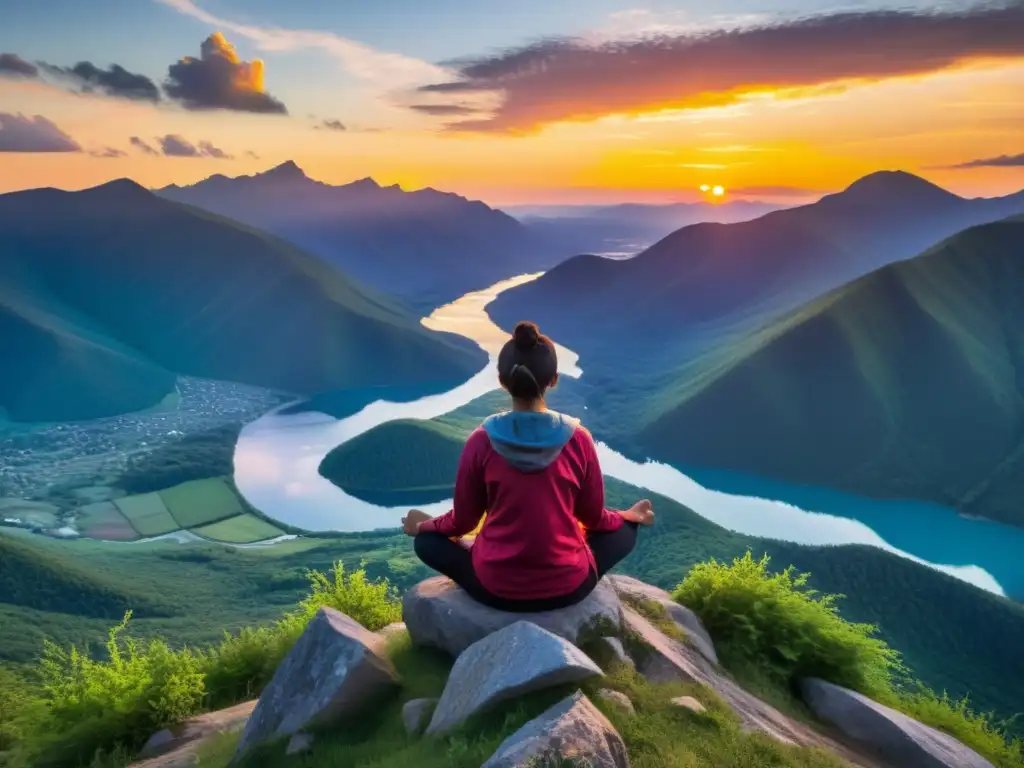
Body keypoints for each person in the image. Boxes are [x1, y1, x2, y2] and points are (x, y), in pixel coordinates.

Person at [402, 320, 655, 612]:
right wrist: (626, 517)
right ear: (554, 379)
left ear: (501, 380)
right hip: (569, 589)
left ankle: (477, 550)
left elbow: (463, 522)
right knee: (625, 533)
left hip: (495, 590)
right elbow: (593, 518)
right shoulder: (578, 439)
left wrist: (423, 526)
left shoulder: (481, 441)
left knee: (426, 544)